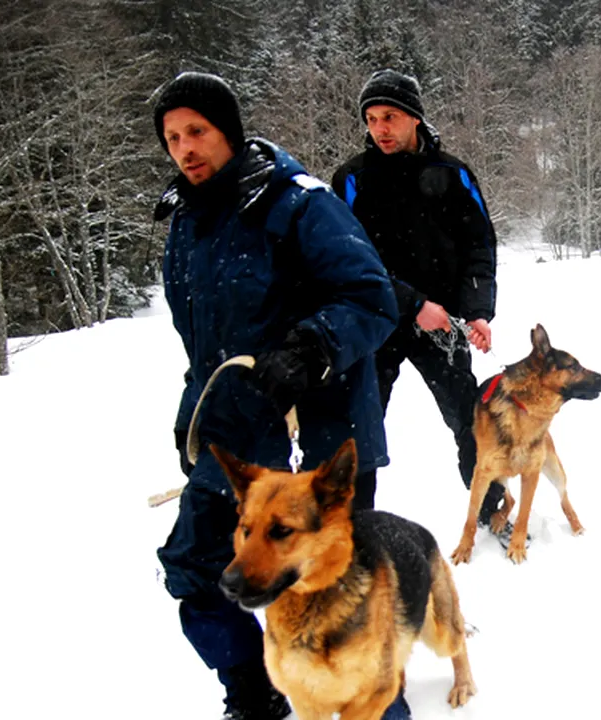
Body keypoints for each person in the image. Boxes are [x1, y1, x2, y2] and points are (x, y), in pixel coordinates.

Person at [151, 72, 405, 720]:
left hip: (321, 435)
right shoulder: (186, 221)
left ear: (228, 132)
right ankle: (254, 694)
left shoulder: (298, 203)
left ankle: (380, 705)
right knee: (194, 568)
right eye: (172, 137)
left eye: (197, 132)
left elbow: (370, 298)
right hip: (234, 437)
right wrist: (194, 420)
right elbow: (204, 348)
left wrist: (312, 348)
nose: (185, 148)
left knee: (343, 594)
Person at [330, 69, 511, 541]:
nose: (380, 128)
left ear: (414, 118)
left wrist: (477, 311)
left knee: (469, 421)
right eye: (371, 119)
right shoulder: (351, 179)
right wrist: (410, 304)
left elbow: (479, 246)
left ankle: (492, 508)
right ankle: (351, 529)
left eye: (389, 116)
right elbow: (345, 260)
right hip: (375, 320)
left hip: (444, 322)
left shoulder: (452, 174)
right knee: (359, 431)